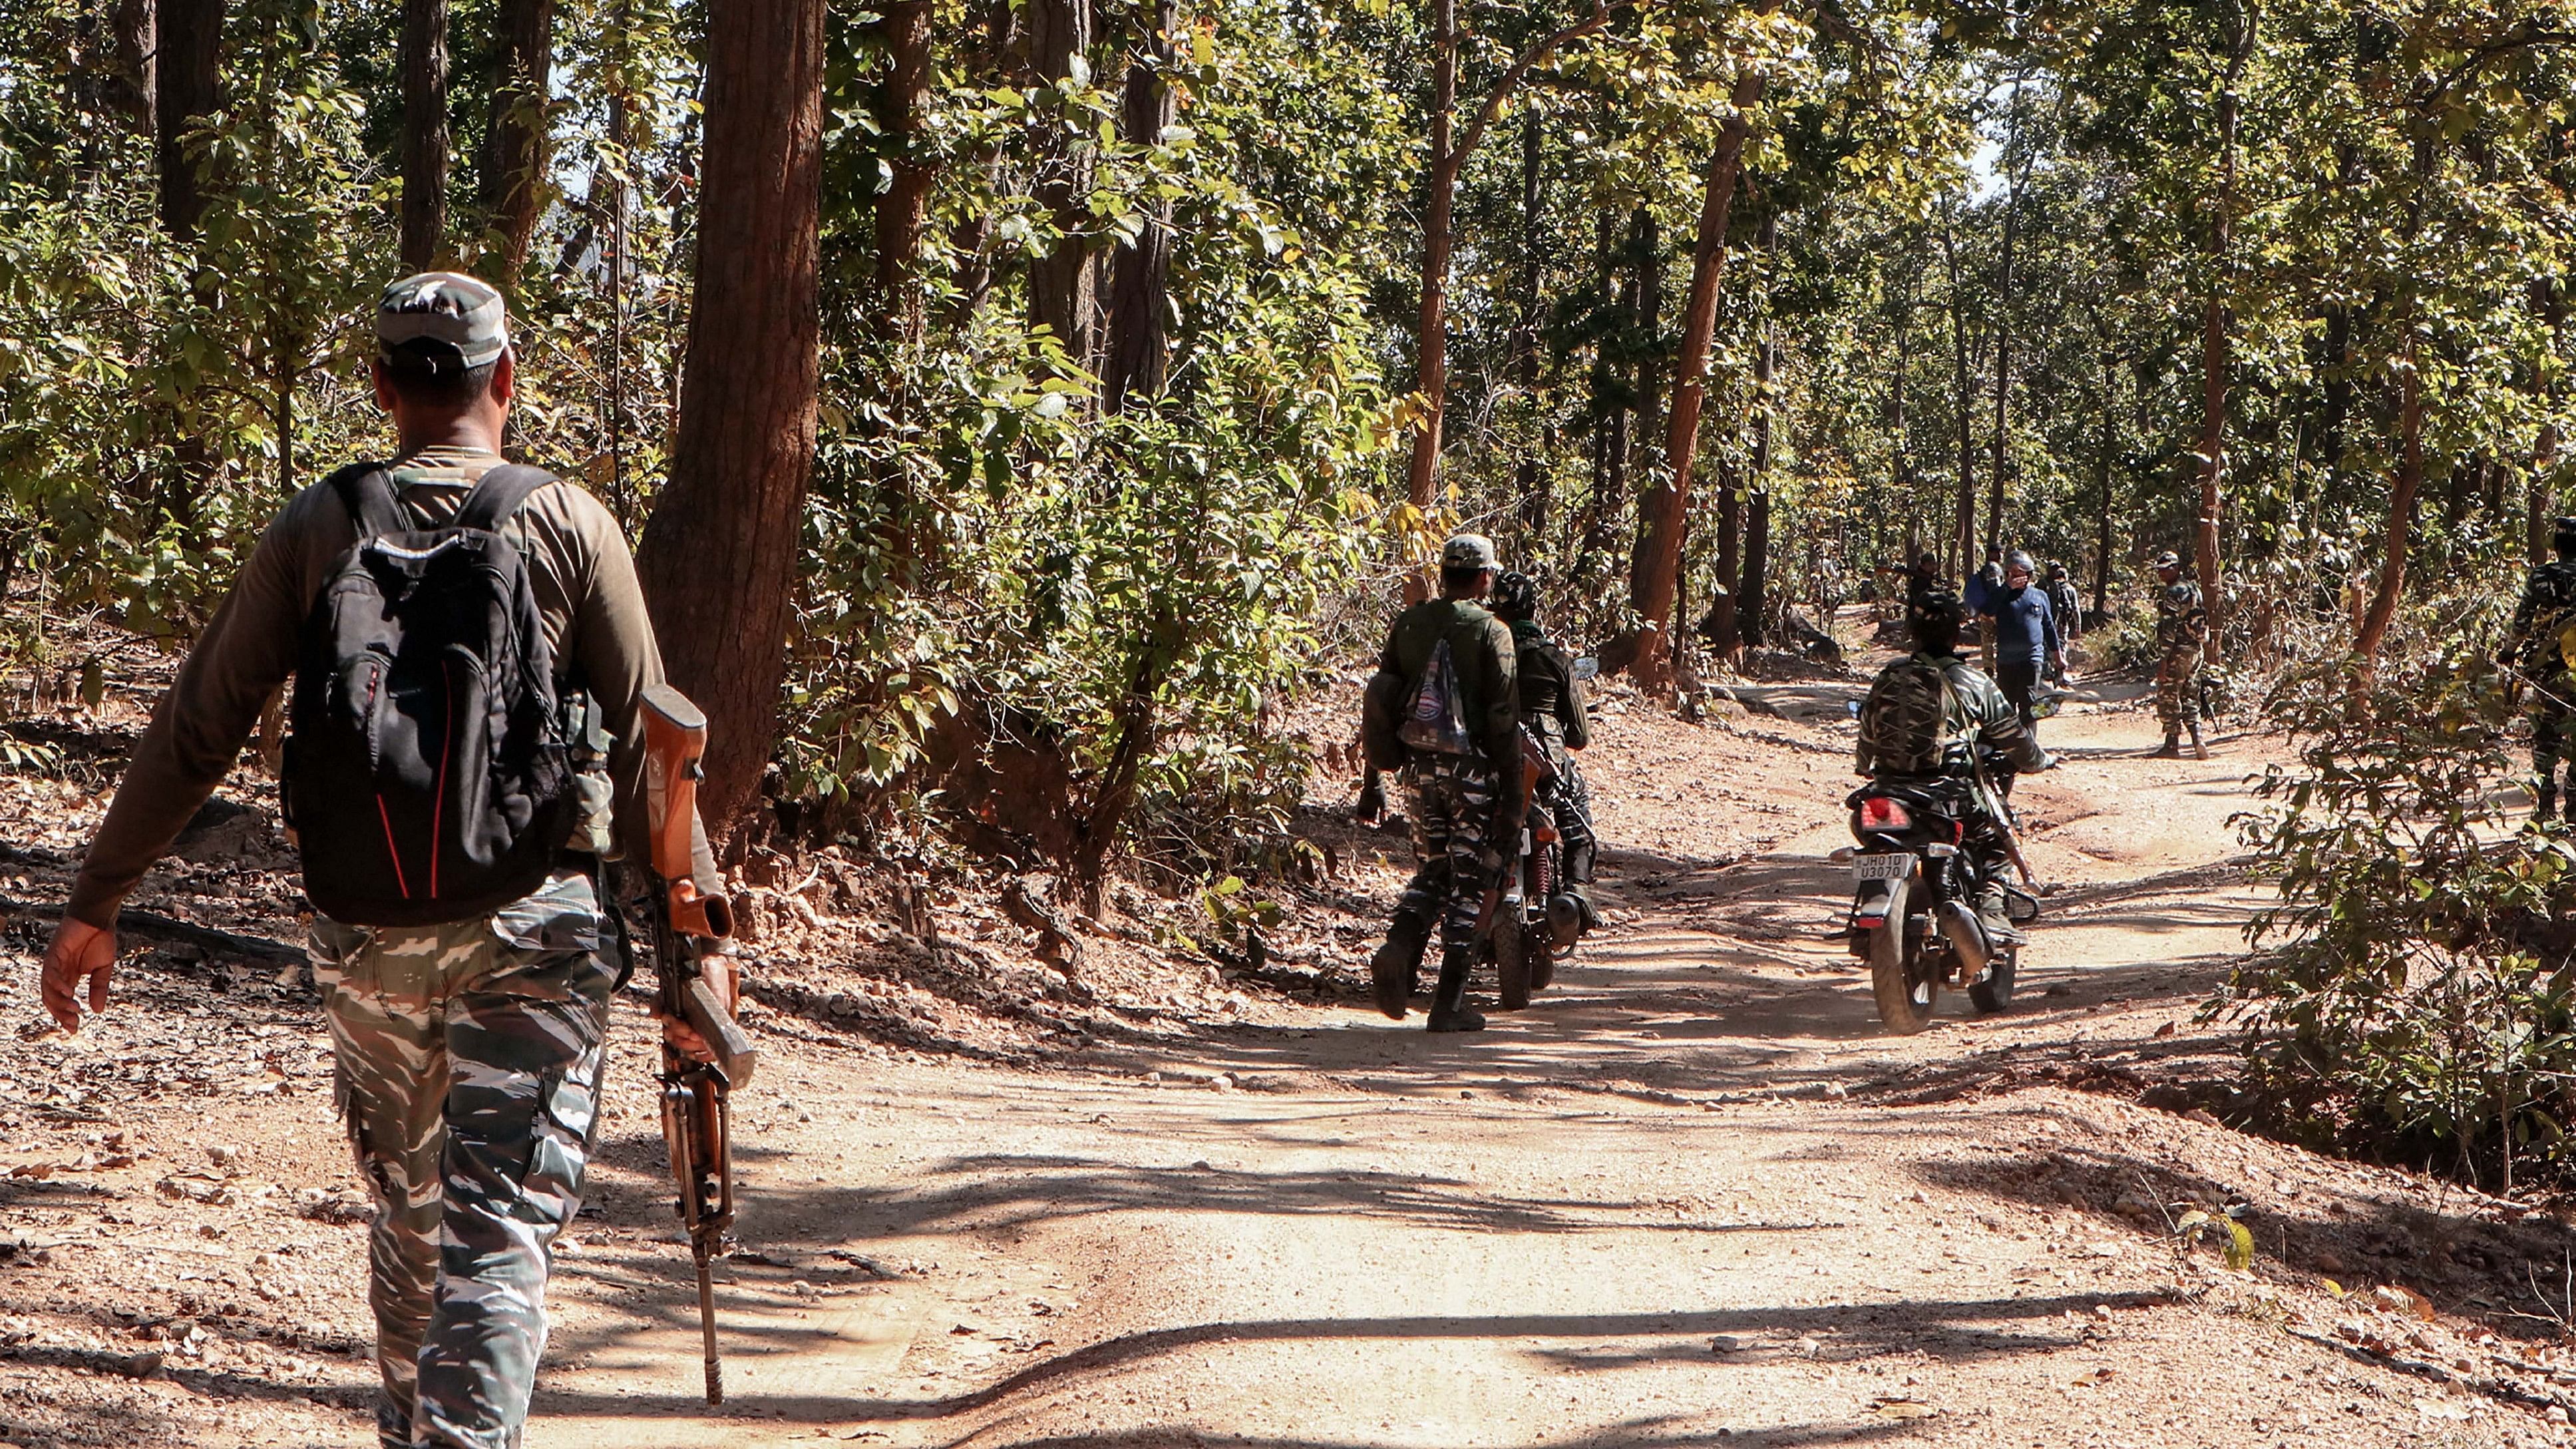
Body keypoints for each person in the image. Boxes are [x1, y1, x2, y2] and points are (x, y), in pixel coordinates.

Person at [37, 272, 723, 1449]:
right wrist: (696, 953)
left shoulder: (321, 525)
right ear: (507, 379)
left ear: (381, 386)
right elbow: (663, 747)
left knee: (411, 1224)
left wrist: (98, 901)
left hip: (369, 934)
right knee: (495, 1229)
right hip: (532, 927)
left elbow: (199, 723)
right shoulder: (568, 521)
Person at [1362, 534, 1519, 1032]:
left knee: (1433, 871)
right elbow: (1502, 717)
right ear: (1483, 578)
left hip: (1416, 770)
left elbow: (1382, 699)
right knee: (1470, 878)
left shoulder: (1409, 623)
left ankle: (1399, 945)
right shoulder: (1492, 631)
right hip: (1471, 774)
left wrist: (1375, 778)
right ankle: (1448, 1003)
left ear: (1443, 572)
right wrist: (1512, 793)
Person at [1854, 588, 2052, 944]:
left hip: (1886, 794)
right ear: (1956, 633)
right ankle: (1992, 912)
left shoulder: (1888, 675)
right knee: (1994, 841)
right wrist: (2038, 761)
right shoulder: (1973, 681)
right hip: (1946, 795)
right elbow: (2013, 737)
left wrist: (1865, 766)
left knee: (1869, 835)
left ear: (1911, 631)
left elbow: (1868, 731)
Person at [1489, 570, 1599, 931]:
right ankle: (1577, 890)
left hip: (1490, 755)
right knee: (1576, 806)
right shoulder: (1553, 658)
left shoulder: (1485, 652)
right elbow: (1580, 736)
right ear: (1533, 608)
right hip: (1547, 757)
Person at [2501, 517, 2576, 821]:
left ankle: (2545, 804)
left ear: (2557, 545)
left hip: (2548, 668)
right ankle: (2573, 806)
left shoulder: (2542, 576)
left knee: (2546, 734)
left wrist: (2508, 652)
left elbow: (2522, 623)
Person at [1970, 550, 2062, 736]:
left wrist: (2058, 657)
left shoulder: (2039, 596)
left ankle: (2029, 749)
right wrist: (2007, 588)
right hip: (2006, 661)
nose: (2017, 576)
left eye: (2021, 572)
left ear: (2029, 574)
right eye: (2012, 572)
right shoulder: (2000, 595)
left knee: (2028, 706)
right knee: (2007, 707)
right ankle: (2008, 749)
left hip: (2032, 659)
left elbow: (2049, 627)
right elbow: (1986, 611)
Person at [2149, 550, 2210, 759]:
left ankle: (2171, 745)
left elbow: (2169, 628)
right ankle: (2198, 740)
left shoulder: (2174, 593)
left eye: (2166, 569)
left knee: (2169, 696)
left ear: (2176, 568)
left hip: (2178, 652)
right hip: (2196, 650)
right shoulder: (2193, 590)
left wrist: (2163, 659)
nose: (2162, 574)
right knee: (2190, 695)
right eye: (2160, 570)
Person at [2044, 562, 2083, 684]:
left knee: (2047, 647)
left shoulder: (2047, 587)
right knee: (2062, 645)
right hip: (2063, 623)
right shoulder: (2070, 589)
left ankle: (2047, 673)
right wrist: (2078, 626)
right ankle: (2060, 675)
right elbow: (2076, 609)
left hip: (2048, 622)